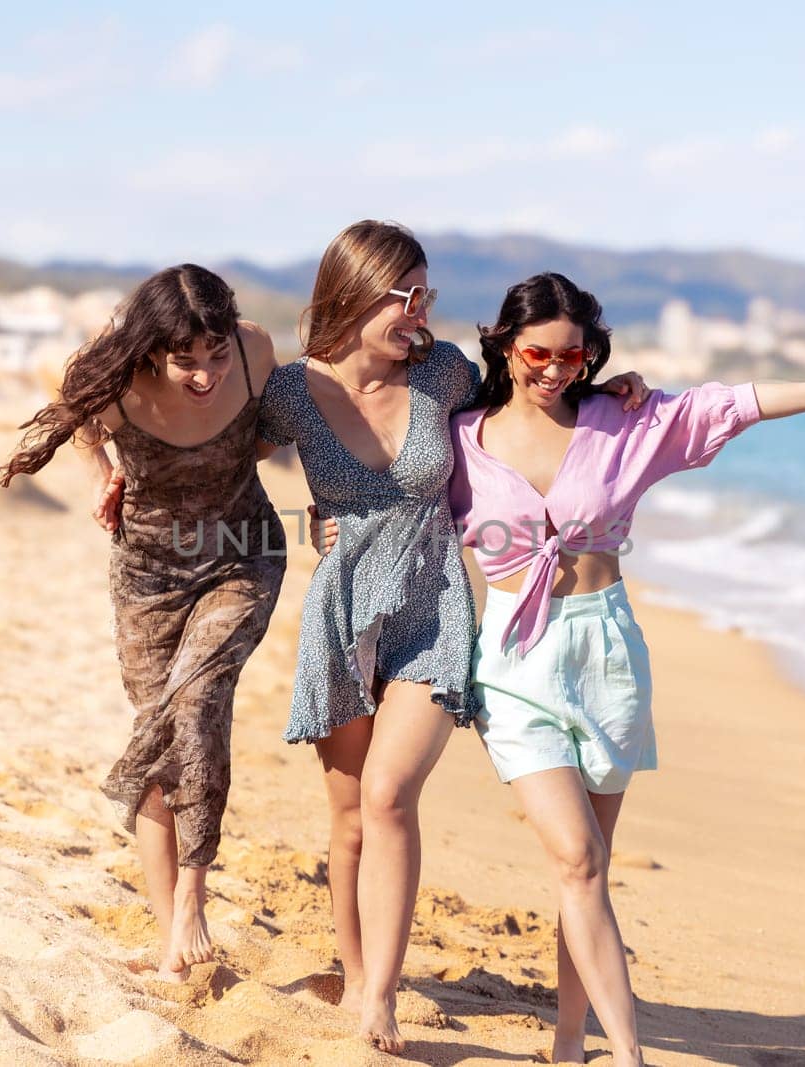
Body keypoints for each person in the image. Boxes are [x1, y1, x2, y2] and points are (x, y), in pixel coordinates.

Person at [314, 272, 805, 1064]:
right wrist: (334, 522)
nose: (557, 368)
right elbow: (393, 488)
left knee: (587, 874)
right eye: (539, 351)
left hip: (607, 654)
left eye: (576, 354)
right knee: (578, 856)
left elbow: (726, 405)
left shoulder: (623, 420)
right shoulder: (462, 436)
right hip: (514, 659)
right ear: (505, 345)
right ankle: (629, 1054)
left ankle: (571, 1040)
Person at [257, 223, 647, 1052]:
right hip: (344, 610)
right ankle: (357, 971)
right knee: (350, 814)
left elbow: (529, 406)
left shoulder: (443, 373)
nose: (421, 311)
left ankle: (380, 999)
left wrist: (612, 393)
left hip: (436, 607)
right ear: (355, 294)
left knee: (391, 792)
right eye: (407, 296)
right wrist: (296, 525)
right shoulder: (292, 392)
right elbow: (227, 449)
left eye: (426, 294)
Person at [0, 265, 285, 982]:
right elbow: (66, 393)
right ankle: (171, 944)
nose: (207, 374)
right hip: (147, 575)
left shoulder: (254, 349)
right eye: (187, 360)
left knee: (194, 704)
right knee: (159, 751)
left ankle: (193, 897)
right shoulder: (114, 367)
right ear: (154, 346)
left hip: (243, 556)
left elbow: (270, 435)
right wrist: (100, 472)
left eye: (216, 357)